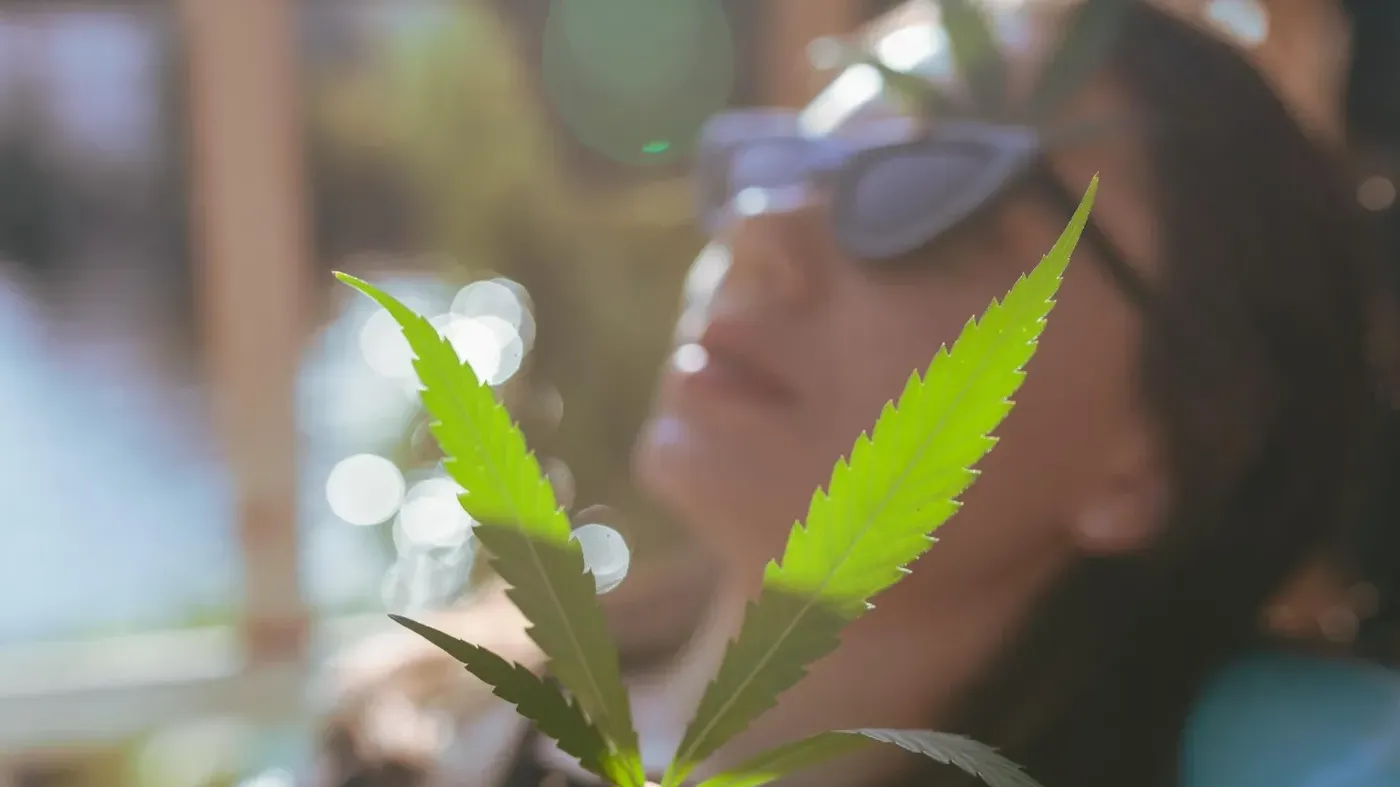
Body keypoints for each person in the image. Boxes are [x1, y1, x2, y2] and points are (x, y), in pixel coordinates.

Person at [310, 2, 1400, 786]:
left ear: (1164, 446)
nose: (759, 233)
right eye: (774, 165)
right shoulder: (413, 730)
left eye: (933, 194)